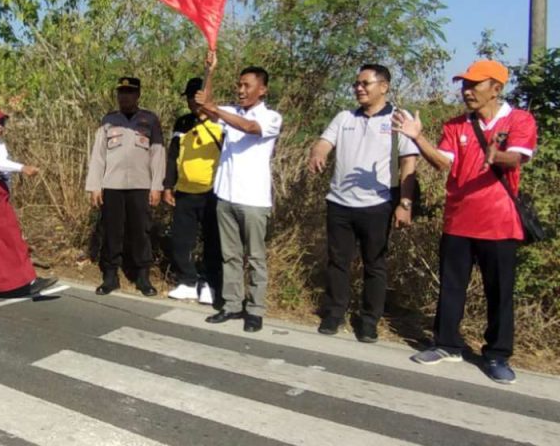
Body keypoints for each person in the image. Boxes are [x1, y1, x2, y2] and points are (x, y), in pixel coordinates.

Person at [394, 59, 537, 384]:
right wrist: (418, 138)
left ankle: (497, 355)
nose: (467, 91)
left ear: (496, 88)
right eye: (465, 84)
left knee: (499, 291)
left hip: (499, 224)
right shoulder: (455, 125)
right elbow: (443, 163)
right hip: (458, 221)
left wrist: (496, 155)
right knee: (451, 286)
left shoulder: (519, 119)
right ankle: (446, 344)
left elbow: (517, 157)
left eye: (475, 84)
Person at [307, 64, 419, 342]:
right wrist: (318, 153)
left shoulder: (398, 118)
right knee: (338, 261)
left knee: (375, 264)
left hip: (377, 205)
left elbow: (408, 163)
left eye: (365, 83)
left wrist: (405, 203)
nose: (359, 88)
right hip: (340, 203)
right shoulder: (344, 117)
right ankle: (335, 313)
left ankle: (369, 320)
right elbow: (324, 142)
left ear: (384, 86)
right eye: (356, 84)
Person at [196, 56, 282, 333]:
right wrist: (210, 71)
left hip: (253, 200)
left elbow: (249, 128)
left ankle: (255, 309)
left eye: (247, 86)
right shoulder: (230, 111)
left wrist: (216, 110)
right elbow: (205, 105)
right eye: (239, 85)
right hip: (226, 196)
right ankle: (232, 304)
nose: (241, 90)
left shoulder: (270, 117)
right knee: (230, 255)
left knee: (255, 257)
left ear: (262, 90)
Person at [0, 103, 56, 297]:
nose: (0, 126)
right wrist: (21, 167)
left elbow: (2, 167)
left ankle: (25, 279)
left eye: (2, 122)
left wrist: (8, 187)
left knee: (10, 234)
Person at [85, 77, 165, 297]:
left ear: (138, 95)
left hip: (141, 184)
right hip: (112, 184)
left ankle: (143, 277)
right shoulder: (109, 121)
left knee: (141, 231)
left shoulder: (149, 120)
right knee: (112, 231)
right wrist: (95, 185)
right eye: (121, 92)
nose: (125, 97)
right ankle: (110, 276)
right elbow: (98, 155)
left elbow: (158, 154)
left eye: (129, 92)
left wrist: (156, 186)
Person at [163, 77, 223, 304]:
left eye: (195, 96)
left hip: (212, 192)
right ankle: (187, 281)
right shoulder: (182, 123)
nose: (192, 102)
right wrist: (168, 185)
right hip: (184, 191)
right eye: (189, 97)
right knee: (181, 240)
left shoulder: (221, 122)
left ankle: (209, 283)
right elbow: (173, 156)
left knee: (212, 240)